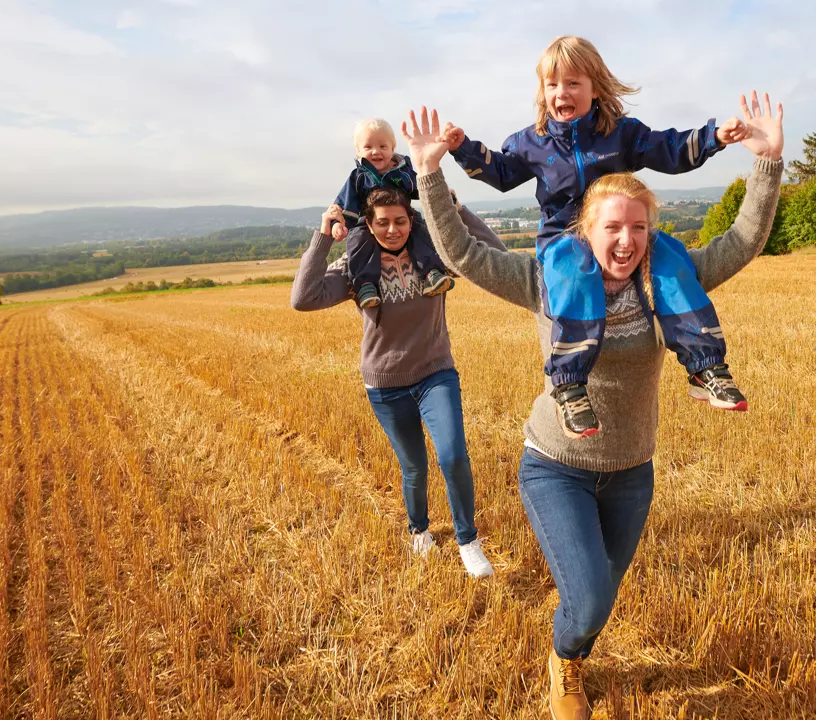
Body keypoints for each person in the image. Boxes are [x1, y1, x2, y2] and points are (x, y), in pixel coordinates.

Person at [402, 94, 784, 719]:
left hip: (632, 470)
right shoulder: (546, 280)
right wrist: (429, 173)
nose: (627, 240)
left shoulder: (669, 282)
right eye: (612, 227)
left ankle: (574, 650)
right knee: (589, 599)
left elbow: (742, 242)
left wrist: (765, 164)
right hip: (556, 465)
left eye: (639, 227)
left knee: (599, 599)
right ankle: (565, 663)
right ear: (586, 230)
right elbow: (464, 256)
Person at [441, 36, 751, 440]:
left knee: (671, 257)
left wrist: (714, 137)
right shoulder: (530, 142)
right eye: (552, 85)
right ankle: (569, 385)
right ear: (542, 92)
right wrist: (463, 148)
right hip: (564, 238)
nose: (561, 93)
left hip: (619, 232)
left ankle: (705, 366)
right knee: (573, 274)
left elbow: (670, 151)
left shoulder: (620, 134)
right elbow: (500, 174)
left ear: (595, 88)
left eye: (572, 83)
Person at [290, 185, 499, 577]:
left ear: (412, 220)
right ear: (368, 225)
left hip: (436, 372)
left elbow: (493, 254)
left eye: (400, 221)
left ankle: (467, 540)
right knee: (414, 467)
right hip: (385, 383)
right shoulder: (357, 268)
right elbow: (303, 298)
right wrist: (322, 237)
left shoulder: (432, 258)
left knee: (453, 456)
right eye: (382, 223)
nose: (392, 230)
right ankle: (419, 530)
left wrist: (458, 209)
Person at [333, 118, 454, 309]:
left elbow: (424, 189)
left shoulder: (402, 172)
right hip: (367, 222)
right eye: (368, 147)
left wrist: (446, 197)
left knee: (421, 231)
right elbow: (344, 203)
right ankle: (366, 285)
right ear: (358, 151)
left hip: (404, 217)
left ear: (392, 148)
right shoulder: (358, 177)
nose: (376, 151)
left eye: (383, 146)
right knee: (358, 241)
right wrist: (339, 224)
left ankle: (432, 273)